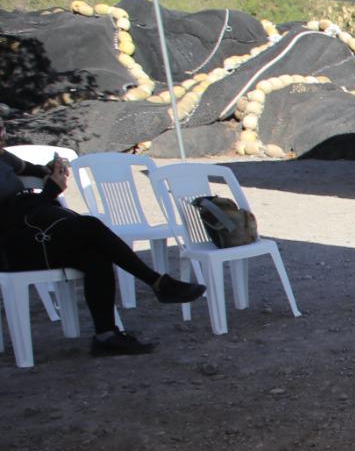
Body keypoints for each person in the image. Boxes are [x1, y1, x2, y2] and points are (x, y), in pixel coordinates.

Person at [0, 119, 206, 357]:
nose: (3, 136)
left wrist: (51, 169)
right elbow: (6, 219)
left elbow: (31, 170)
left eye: (2, 129)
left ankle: (106, 336)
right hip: (11, 248)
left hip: (33, 233)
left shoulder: (4, 157)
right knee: (90, 226)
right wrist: (50, 192)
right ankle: (158, 283)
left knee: (95, 256)